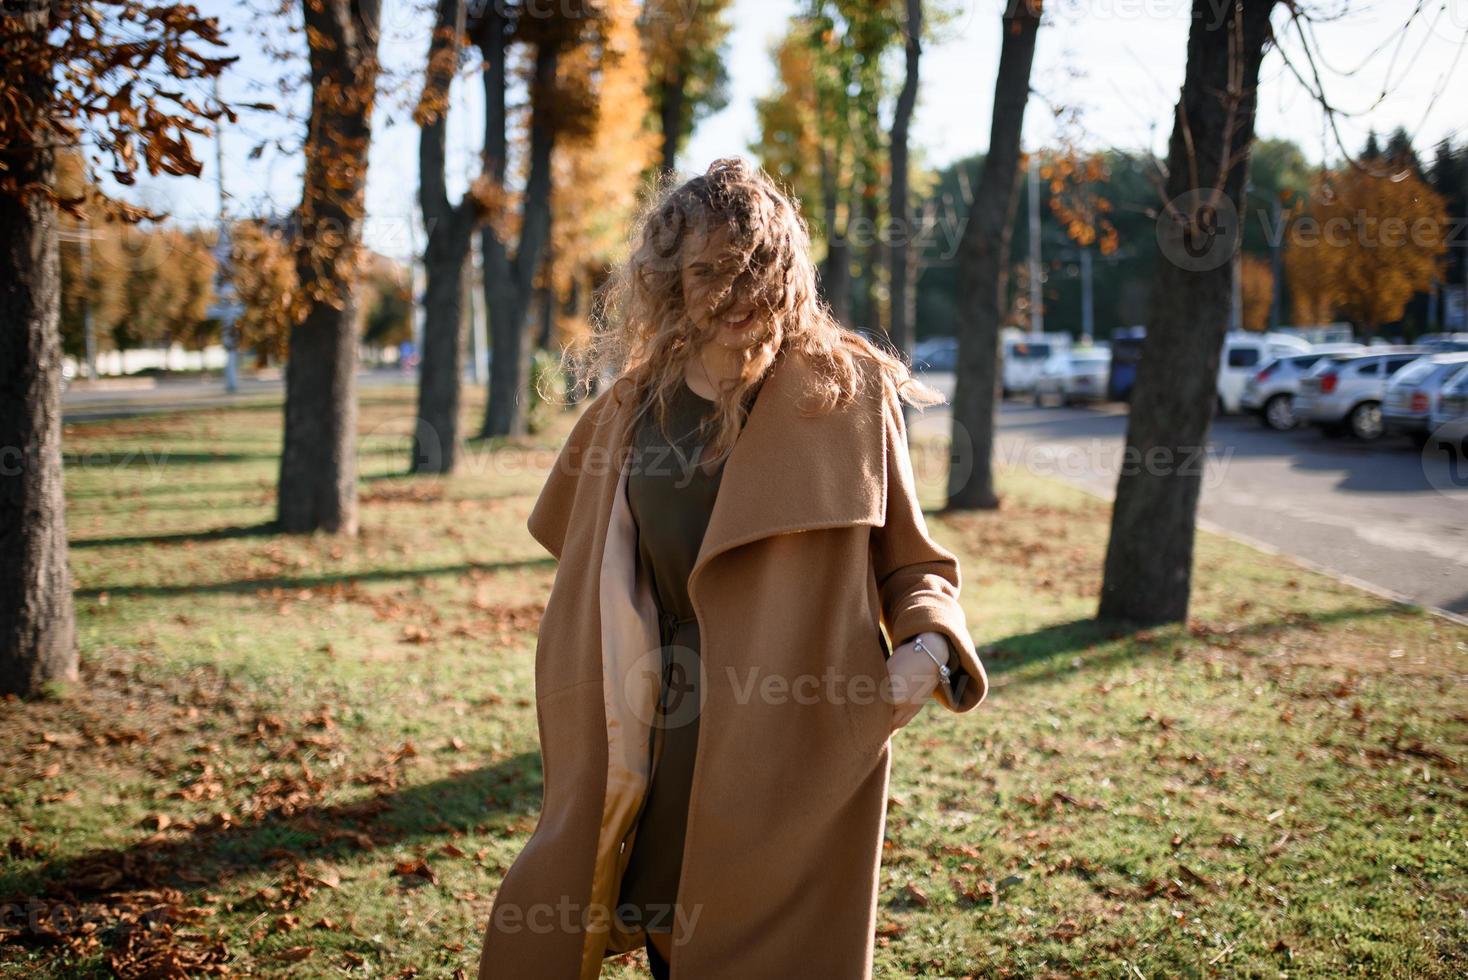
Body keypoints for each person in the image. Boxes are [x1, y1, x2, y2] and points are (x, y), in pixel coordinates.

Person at [475, 158, 988, 980]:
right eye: (708, 269)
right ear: (670, 279)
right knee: (671, 938)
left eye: (755, 265)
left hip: (803, 735)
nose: (735, 288)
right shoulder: (627, 412)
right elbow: (588, 572)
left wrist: (924, 654)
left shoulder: (848, 392)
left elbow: (917, 566)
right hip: (656, 731)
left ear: (786, 268)